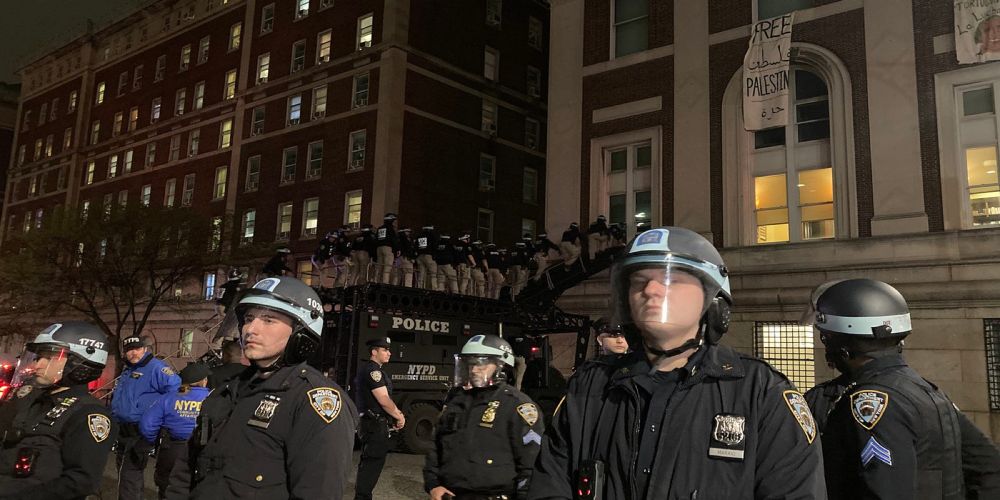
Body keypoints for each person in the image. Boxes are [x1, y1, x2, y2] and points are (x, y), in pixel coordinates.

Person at [528, 226, 826, 499]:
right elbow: (549, 483)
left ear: (713, 301)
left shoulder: (760, 392)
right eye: (640, 281)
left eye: (672, 279)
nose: (651, 290)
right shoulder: (591, 386)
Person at [802, 278, 1000, 499]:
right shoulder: (926, 391)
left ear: (842, 345)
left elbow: (884, 490)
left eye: (826, 338)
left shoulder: (870, 400)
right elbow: (987, 467)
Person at [187, 276, 359, 498]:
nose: (251, 329)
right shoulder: (225, 392)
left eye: (268, 320)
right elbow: (186, 471)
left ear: (301, 332)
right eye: (249, 318)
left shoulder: (312, 401)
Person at [0, 321, 116, 499]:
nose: (38, 364)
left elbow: (80, 481)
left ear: (78, 362)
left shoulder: (88, 414)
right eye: (38, 357)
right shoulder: (27, 398)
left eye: (49, 357)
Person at [424, 335, 545, 499]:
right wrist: (433, 484)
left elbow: (531, 463)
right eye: (471, 364)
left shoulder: (516, 406)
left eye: (481, 363)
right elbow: (436, 447)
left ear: (501, 366)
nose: (474, 370)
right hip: (452, 495)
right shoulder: (457, 403)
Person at [112, 334, 181, 500]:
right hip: (123, 427)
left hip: (141, 429)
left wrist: (155, 416)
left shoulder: (156, 367)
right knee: (125, 471)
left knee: (129, 472)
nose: (133, 353)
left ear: (144, 349)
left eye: (137, 349)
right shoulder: (128, 369)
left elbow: (175, 388)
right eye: (129, 350)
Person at [140, 362, 212, 500]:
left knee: (167, 489)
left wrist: (153, 442)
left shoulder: (169, 397)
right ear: (204, 381)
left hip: (171, 449)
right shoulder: (212, 399)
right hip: (201, 451)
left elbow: (147, 424)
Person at [354, 337, 405, 500]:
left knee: (371, 464)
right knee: (371, 465)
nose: (389, 353)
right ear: (374, 352)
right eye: (385, 350)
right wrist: (399, 416)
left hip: (372, 423)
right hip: (373, 424)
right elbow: (383, 399)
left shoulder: (374, 370)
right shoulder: (373, 371)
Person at [376, 213, 399, 284]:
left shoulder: (380, 228)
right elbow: (394, 240)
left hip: (379, 248)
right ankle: (385, 283)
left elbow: (376, 239)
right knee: (387, 267)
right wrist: (396, 250)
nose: (395, 222)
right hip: (388, 249)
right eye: (394, 220)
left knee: (379, 267)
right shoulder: (391, 228)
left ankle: (377, 282)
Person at [415, 225, 439, 290]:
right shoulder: (431, 236)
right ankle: (434, 288)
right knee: (433, 273)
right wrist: (434, 256)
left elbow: (416, 246)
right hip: (429, 256)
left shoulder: (419, 236)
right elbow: (435, 246)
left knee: (421, 274)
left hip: (420, 256)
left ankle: (419, 288)